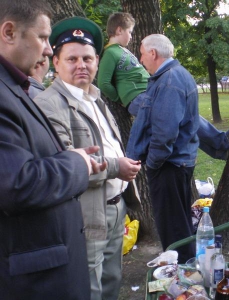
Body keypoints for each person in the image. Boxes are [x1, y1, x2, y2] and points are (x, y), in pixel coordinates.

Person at [0, 1, 107, 299]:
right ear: (9, 32)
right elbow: (15, 183)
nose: (48, 50)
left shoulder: (14, 87)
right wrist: (76, 162)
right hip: (33, 275)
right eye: (43, 37)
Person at [33, 17, 141, 300]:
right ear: (56, 62)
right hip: (86, 212)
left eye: (88, 58)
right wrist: (117, 166)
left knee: (111, 281)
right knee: (89, 286)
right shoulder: (48, 105)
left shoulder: (94, 97)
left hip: (116, 208)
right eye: (72, 59)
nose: (81, 64)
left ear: (96, 62)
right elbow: (63, 165)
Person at [97, 12, 229, 160]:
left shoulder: (121, 50)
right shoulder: (110, 53)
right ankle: (222, 143)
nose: (131, 36)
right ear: (119, 30)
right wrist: (121, 99)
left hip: (149, 94)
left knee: (185, 118)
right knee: (183, 115)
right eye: (129, 32)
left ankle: (220, 149)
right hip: (138, 98)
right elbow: (103, 83)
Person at [126, 34, 199, 263]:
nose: (140, 59)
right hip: (175, 163)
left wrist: (153, 163)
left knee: (173, 225)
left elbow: (165, 133)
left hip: (169, 165)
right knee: (177, 221)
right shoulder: (173, 76)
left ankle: (180, 275)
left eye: (141, 53)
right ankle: (184, 268)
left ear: (153, 54)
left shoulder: (169, 81)